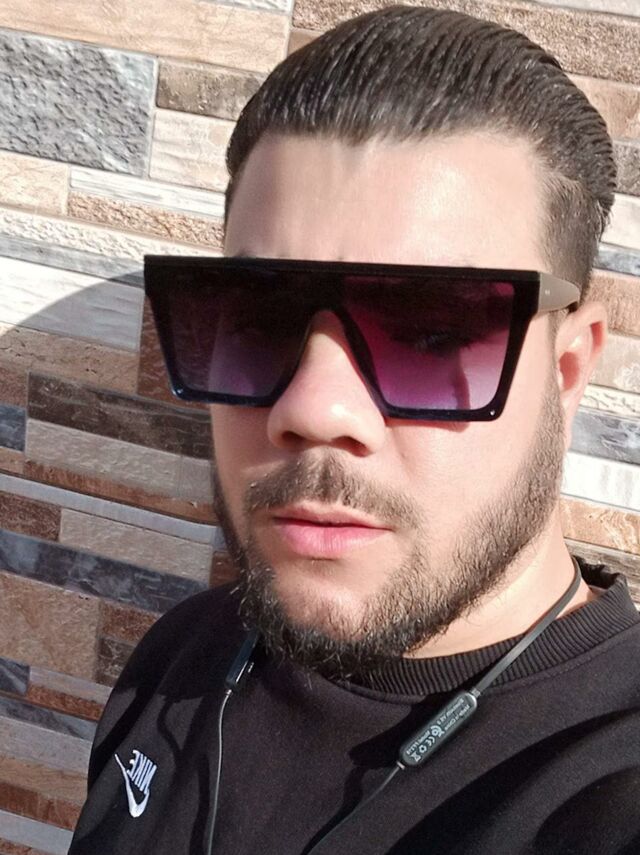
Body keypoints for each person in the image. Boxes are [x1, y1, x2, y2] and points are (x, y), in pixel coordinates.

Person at [68, 5, 640, 854]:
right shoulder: (182, 657)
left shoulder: (607, 792)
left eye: (431, 332)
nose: (312, 409)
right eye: (261, 317)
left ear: (565, 369)